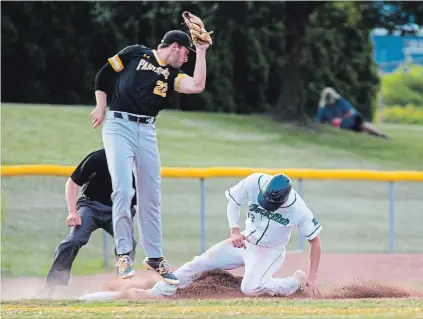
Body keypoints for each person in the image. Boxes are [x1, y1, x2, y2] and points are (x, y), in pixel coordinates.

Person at [90, 30, 209, 283]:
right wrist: (101, 105)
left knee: (151, 195)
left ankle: (154, 257)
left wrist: (201, 51)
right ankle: (123, 253)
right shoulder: (135, 53)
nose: (186, 59)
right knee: (123, 190)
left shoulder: (174, 75)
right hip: (118, 125)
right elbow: (104, 74)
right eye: (187, 52)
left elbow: (197, 85)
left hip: (147, 130)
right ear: (175, 47)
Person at [130, 172, 323, 299]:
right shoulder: (255, 182)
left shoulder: (298, 209)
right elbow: (233, 202)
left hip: (270, 251)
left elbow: (315, 241)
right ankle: (160, 292)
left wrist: (312, 277)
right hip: (245, 240)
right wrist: (235, 230)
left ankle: (294, 282)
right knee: (200, 262)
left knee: (250, 289)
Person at [42, 148, 137, 299]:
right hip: (90, 206)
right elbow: (72, 182)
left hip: (117, 210)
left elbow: (133, 203)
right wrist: (72, 212)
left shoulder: (134, 165)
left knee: (128, 244)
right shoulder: (99, 157)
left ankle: (120, 288)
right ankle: (51, 285)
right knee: (75, 239)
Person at [316, 87, 390, 139]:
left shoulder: (340, 101)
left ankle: (380, 134)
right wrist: (331, 123)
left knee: (363, 125)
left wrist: (340, 119)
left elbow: (350, 112)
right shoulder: (323, 108)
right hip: (340, 126)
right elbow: (320, 122)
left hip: (352, 119)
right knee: (363, 132)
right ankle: (374, 135)